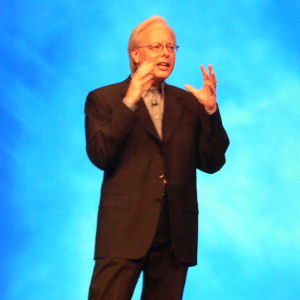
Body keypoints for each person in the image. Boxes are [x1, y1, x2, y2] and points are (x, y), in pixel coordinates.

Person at [85, 16, 229, 300]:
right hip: (124, 230)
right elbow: (101, 154)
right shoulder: (104, 99)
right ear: (136, 54)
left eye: (171, 47)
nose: (166, 53)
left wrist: (211, 111)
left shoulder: (189, 103)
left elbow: (212, 163)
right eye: (157, 46)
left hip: (175, 235)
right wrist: (132, 99)